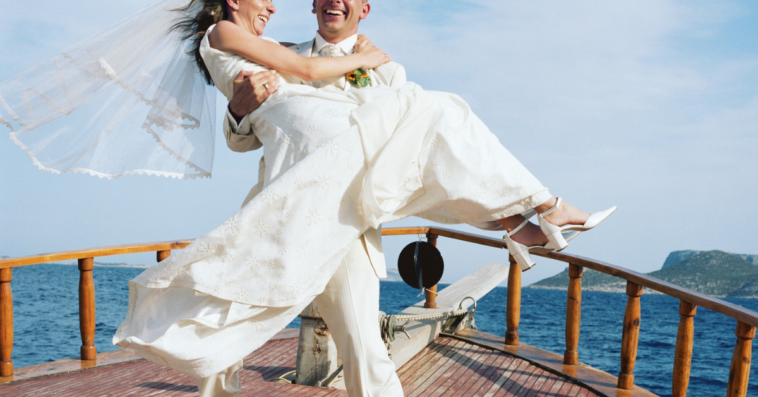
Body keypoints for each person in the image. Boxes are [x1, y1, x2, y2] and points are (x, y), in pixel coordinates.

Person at [1, 0, 615, 396]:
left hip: (350, 206)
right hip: (290, 201)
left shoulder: (389, 75)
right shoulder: (283, 55)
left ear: (363, 10)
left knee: (362, 343)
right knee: (242, 305)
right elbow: (241, 134)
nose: (325, 2)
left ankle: (527, 212)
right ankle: (528, 215)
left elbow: (420, 158)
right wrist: (241, 110)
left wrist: (371, 64)